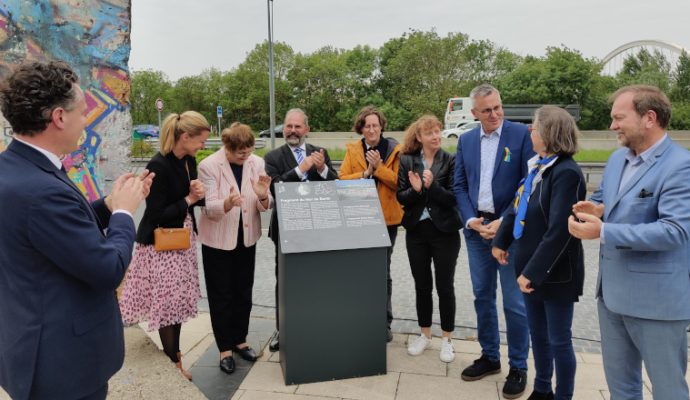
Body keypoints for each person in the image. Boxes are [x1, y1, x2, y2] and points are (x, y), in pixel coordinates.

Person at [0, 60, 153, 400]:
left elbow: (51, 233)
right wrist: (125, 213)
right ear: (58, 117)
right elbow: (108, 268)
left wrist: (107, 204)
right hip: (63, 365)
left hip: (31, 344)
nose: (85, 120)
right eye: (82, 112)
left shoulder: (16, 168)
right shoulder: (41, 190)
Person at [569, 85, 690, 400]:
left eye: (618, 118)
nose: (612, 126)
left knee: (668, 391)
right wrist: (594, 209)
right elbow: (604, 200)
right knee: (622, 389)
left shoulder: (681, 166)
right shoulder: (617, 159)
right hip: (610, 298)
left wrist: (605, 231)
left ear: (649, 118)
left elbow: (675, 231)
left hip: (658, 304)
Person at [492, 106, 585, 400]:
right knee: (539, 337)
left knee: (559, 340)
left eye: (534, 126)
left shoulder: (566, 172)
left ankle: (563, 395)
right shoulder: (537, 166)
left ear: (548, 132)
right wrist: (500, 240)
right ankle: (542, 388)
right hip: (528, 268)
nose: (530, 131)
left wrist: (531, 272)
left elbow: (560, 229)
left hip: (553, 272)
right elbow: (516, 208)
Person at [453, 83, 533, 399]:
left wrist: (505, 221)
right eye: (487, 110)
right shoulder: (467, 140)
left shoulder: (519, 135)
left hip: (509, 231)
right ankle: (490, 357)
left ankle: (518, 366)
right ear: (474, 113)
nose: (495, 114)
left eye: (498, 107)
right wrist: (472, 220)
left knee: (514, 303)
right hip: (476, 231)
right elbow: (459, 185)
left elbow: (528, 182)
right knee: (482, 296)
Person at [119, 110, 210, 381]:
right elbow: (157, 213)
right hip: (161, 247)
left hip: (182, 242)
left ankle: (176, 359)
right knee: (168, 306)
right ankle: (174, 364)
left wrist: (200, 196)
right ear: (185, 136)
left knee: (177, 305)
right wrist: (191, 199)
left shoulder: (188, 160)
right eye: (201, 140)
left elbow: (189, 198)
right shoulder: (159, 165)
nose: (203, 145)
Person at [197, 122, 272, 374]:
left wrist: (263, 196)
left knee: (243, 291)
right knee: (222, 295)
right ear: (227, 147)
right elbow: (209, 208)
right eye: (241, 152)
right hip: (218, 241)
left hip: (246, 237)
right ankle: (225, 349)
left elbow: (264, 205)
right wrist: (227, 203)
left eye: (249, 151)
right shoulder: (208, 166)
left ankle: (240, 340)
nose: (246, 156)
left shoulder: (257, 163)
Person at [263, 108, 338, 351]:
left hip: (317, 229)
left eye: (297, 126)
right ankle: (282, 329)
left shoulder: (319, 153)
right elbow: (275, 189)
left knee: (315, 279)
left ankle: (312, 325)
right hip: (286, 229)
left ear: (306, 129)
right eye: (288, 126)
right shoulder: (273, 157)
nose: (292, 131)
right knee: (284, 280)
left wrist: (321, 168)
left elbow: (334, 184)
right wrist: (301, 168)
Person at [396, 115, 462, 362]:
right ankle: (424, 334)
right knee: (422, 286)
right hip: (416, 232)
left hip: (444, 232)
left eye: (438, 132)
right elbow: (401, 197)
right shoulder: (406, 161)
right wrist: (414, 190)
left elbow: (454, 198)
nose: (436, 136)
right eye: (430, 133)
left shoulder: (451, 160)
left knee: (445, 286)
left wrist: (432, 186)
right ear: (420, 137)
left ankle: (447, 339)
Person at [338, 106, 403, 342]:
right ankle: (360, 316)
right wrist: (365, 173)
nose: (372, 129)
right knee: (361, 270)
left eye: (375, 125)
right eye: (367, 126)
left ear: (381, 126)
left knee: (382, 270)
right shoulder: (353, 149)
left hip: (387, 220)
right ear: (361, 128)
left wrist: (379, 168)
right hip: (359, 219)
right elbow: (342, 180)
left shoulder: (394, 149)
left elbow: (399, 183)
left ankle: (384, 321)